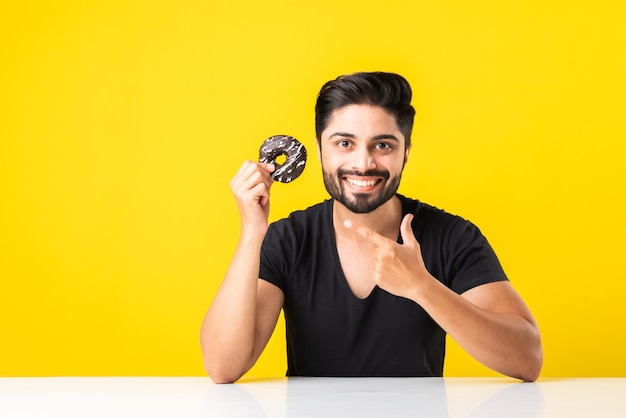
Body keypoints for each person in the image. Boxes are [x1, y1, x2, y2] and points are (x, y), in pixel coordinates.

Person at [200, 72, 543, 384]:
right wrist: (251, 234)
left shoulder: (452, 237)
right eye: (344, 143)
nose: (363, 163)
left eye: (383, 145)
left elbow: (527, 360)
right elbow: (222, 366)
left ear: (405, 153)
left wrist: (422, 287)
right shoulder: (288, 239)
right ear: (320, 150)